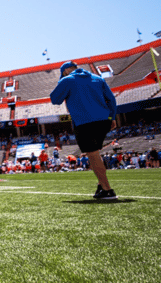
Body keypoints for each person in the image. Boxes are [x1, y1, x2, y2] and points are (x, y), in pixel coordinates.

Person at [50, 61, 118, 199]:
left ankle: (107, 190)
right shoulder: (98, 78)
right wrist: (112, 117)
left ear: (65, 71)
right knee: (95, 154)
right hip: (104, 121)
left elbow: (55, 99)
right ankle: (101, 185)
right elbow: (111, 99)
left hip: (85, 123)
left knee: (93, 155)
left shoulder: (67, 80)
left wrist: (63, 84)